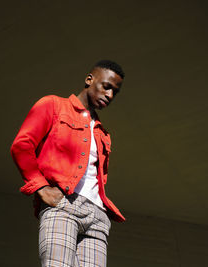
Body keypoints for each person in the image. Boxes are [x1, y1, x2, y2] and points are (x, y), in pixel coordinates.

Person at [10, 60, 126, 267]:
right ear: (89, 79)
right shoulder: (52, 105)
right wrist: (42, 187)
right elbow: (22, 146)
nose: (109, 95)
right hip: (63, 206)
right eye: (106, 87)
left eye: (114, 92)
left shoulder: (103, 133)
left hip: (97, 216)